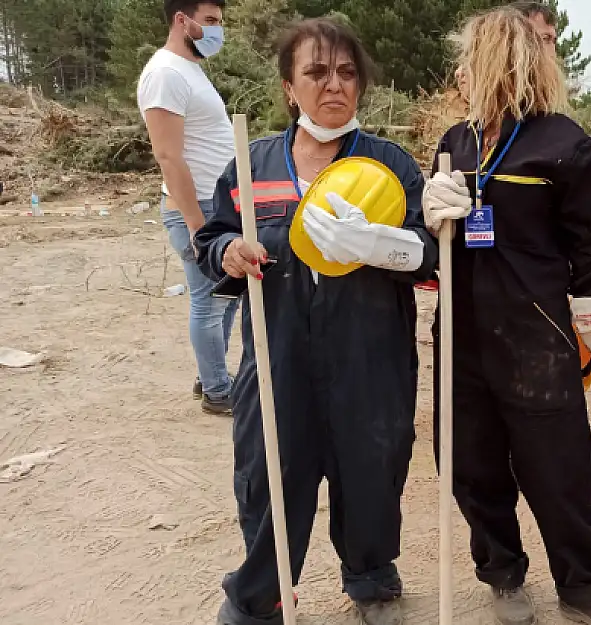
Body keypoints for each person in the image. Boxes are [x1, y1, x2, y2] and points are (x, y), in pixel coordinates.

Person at [194, 17, 437, 625]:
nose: (335, 85)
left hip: (370, 360)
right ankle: (262, 593)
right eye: (317, 72)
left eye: (348, 73)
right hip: (277, 362)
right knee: (269, 473)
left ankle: (372, 579)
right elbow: (213, 237)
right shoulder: (253, 166)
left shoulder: (389, 166)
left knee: (372, 470)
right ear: (287, 87)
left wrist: (380, 244)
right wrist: (226, 250)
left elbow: (430, 256)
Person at [422, 7, 591, 625]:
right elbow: (438, 242)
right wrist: (431, 214)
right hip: (462, 334)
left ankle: (586, 589)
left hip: (537, 336)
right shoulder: (456, 143)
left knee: (560, 470)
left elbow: (588, 240)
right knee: (471, 463)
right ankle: (502, 574)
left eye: (476, 58)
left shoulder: (564, 143)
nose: (466, 71)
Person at [138, 0, 238, 415]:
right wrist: (199, 229)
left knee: (228, 293)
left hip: (217, 204)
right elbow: (169, 157)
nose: (217, 31)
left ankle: (211, 373)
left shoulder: (189, 70)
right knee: (209, 300)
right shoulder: (164, 74)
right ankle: (217, 390)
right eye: (211, 22)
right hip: (195, 208)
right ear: (184, 21)